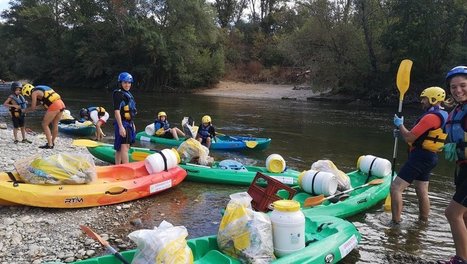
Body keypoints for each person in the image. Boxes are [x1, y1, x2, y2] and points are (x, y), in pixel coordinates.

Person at [391, 86, 448, 224]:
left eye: (424, 98)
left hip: (421, 157)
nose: (422, 101)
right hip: (430, 157)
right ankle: (423, 222)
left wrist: (400, 126)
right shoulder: (445, 114)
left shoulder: (431, 117)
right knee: (421, 189)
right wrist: (402, 132)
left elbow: (410, 138)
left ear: (433, 99)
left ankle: (395, 223)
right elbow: (420, 136)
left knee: (396, 188)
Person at [438, 66, 467, 264]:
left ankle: (461, 260)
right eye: (453, 87)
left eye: (463, 85)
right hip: (463, 168)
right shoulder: (457, 110)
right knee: (464, 216)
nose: (458, 90)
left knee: (452, 213)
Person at [22, 84, 65, 149]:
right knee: (55, 124)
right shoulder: (42, 89)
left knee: (44, 124)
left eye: (27, 95)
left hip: (55, 105)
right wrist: (36, 107)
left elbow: (32, 108)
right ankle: (52, 142)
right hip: (61, 104)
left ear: (27, 92)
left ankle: (49, 144)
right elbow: (44, 105)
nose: (29, 97)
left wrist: (24, 111)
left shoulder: (34, 93)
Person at [113, 72, 137, 164]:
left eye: (129, 83)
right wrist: (121, 127)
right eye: (125, 83)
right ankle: (126, 168)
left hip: (128, 123)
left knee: (119, 148)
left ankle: (117, 167)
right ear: (121, 83)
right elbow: (117, 111)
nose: (127, 85)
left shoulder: (127, 94)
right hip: (123, 124)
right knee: (124, 147)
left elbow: (129, 111)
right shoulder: (119, 94)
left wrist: (132, 123)